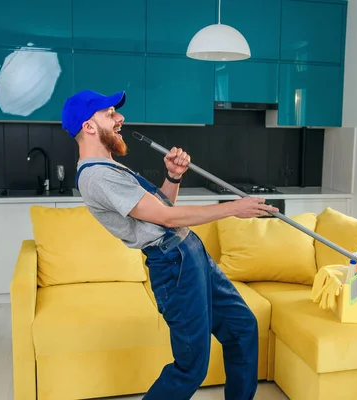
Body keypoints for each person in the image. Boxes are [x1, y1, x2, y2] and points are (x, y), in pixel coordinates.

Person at [61, 89, 279, 400]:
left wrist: (173, 177)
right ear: (89, 127)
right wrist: (233, 208)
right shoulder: (97, 177)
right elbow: (165, 217)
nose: (120, 118)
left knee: (242, 328)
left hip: (189, 253)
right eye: (110, 114)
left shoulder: (110, 167)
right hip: (174, 265)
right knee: (191, 367)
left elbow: (159, 209)